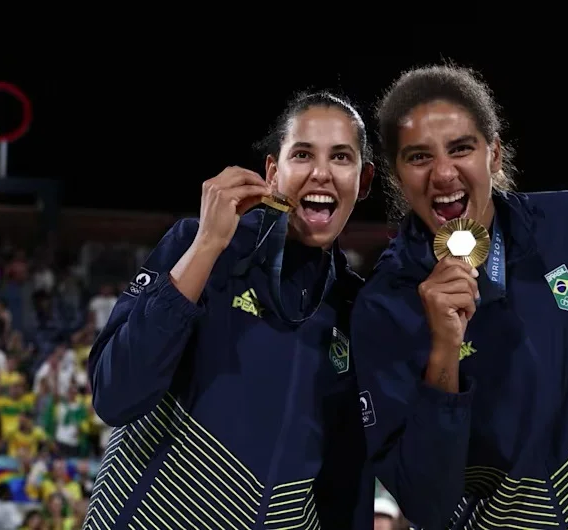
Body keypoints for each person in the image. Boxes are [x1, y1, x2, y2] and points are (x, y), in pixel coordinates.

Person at [353, 64, 568, 529]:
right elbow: (426, 503)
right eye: (418, 157)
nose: (444, 173)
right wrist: (444, 351)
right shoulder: (383, 307)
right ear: (396, 175)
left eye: (461, 148)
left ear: (494, 154)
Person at [83, 92, 379, 528]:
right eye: (302, 154)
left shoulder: (355, 311)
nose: (321, 173)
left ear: (364, 180)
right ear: (272, 172)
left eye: (341, 157)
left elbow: (345, 486)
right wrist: (206, 245)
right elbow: (115, 394)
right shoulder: (202, 246)